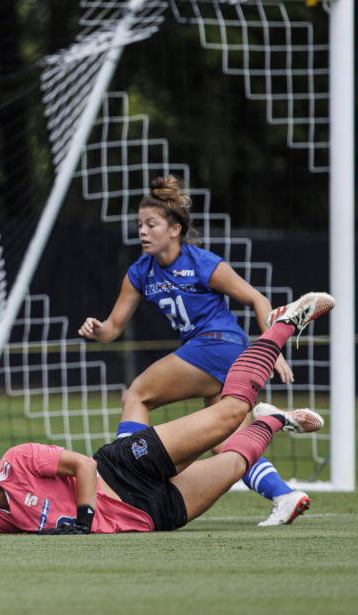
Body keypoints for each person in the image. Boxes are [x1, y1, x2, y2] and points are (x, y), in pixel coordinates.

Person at [0, 292, 332, 537]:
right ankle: (273, 421)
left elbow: (83, 465)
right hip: (150, 515)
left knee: (228, 415)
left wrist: (82, 518)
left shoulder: (18, 459)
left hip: (126, 467)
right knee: (234, 462)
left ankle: (282, 325)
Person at [77, 175, 305, 526]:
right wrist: (97, 330)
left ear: (175, 229)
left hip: (220, 347)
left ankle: (131, 473)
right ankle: (285, 495)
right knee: (225, 444)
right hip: (218, 356)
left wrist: (274, 348)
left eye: (151, 224)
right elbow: (113, 328)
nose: (142, 231)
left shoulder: (202, 263)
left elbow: (257, 298)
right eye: (139, 224)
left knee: (137, 394)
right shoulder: (140, 272)